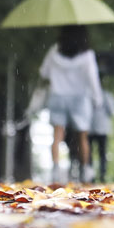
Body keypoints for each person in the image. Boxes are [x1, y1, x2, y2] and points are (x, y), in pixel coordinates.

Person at [38, 25, 100, 183]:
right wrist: (97, 99)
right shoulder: (87, 55)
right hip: (80, 98)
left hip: (57, 95)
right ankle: (85, 170)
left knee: (57, 135)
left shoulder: (55, 51)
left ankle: (55, 171)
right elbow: (92, 79)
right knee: (82, 137)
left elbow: (43, 72)